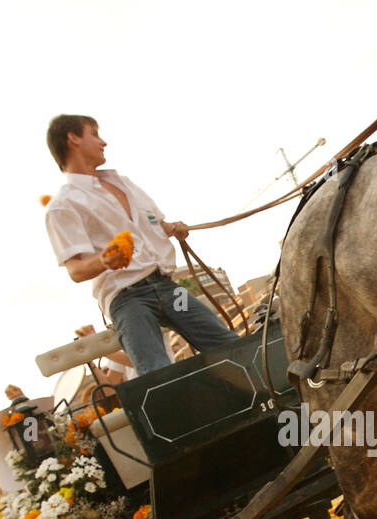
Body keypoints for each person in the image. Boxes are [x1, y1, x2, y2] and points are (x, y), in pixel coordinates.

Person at [43, 115, 237, 376]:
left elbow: (155, 223)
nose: (103, 142)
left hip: (169, 289)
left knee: (228, 344)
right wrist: (102, 261)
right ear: (73, 138)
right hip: (129, 299)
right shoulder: (62, 206)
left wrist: (172, 228)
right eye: (94, 133)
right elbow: (75, 270)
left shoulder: (124, 183)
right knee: (157, 372)